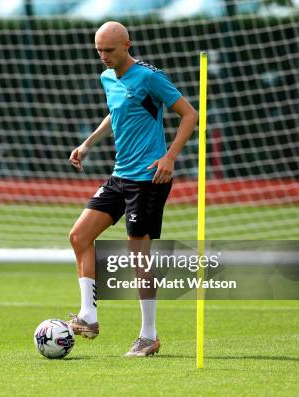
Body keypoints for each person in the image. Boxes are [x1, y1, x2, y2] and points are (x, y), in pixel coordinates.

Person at [67, 21, 198, 357]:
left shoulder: (150, 77)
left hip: (149, 178)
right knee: (80, 236)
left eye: (109, 50)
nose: (103, 57)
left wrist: (170, 157)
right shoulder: (107, 78)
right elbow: (116, 113)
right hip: (120, 176)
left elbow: (189, 115)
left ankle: (148, 335)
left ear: (127, 45)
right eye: (99, 50)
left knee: (138, 254)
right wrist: (88, 144)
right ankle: (88, 316)